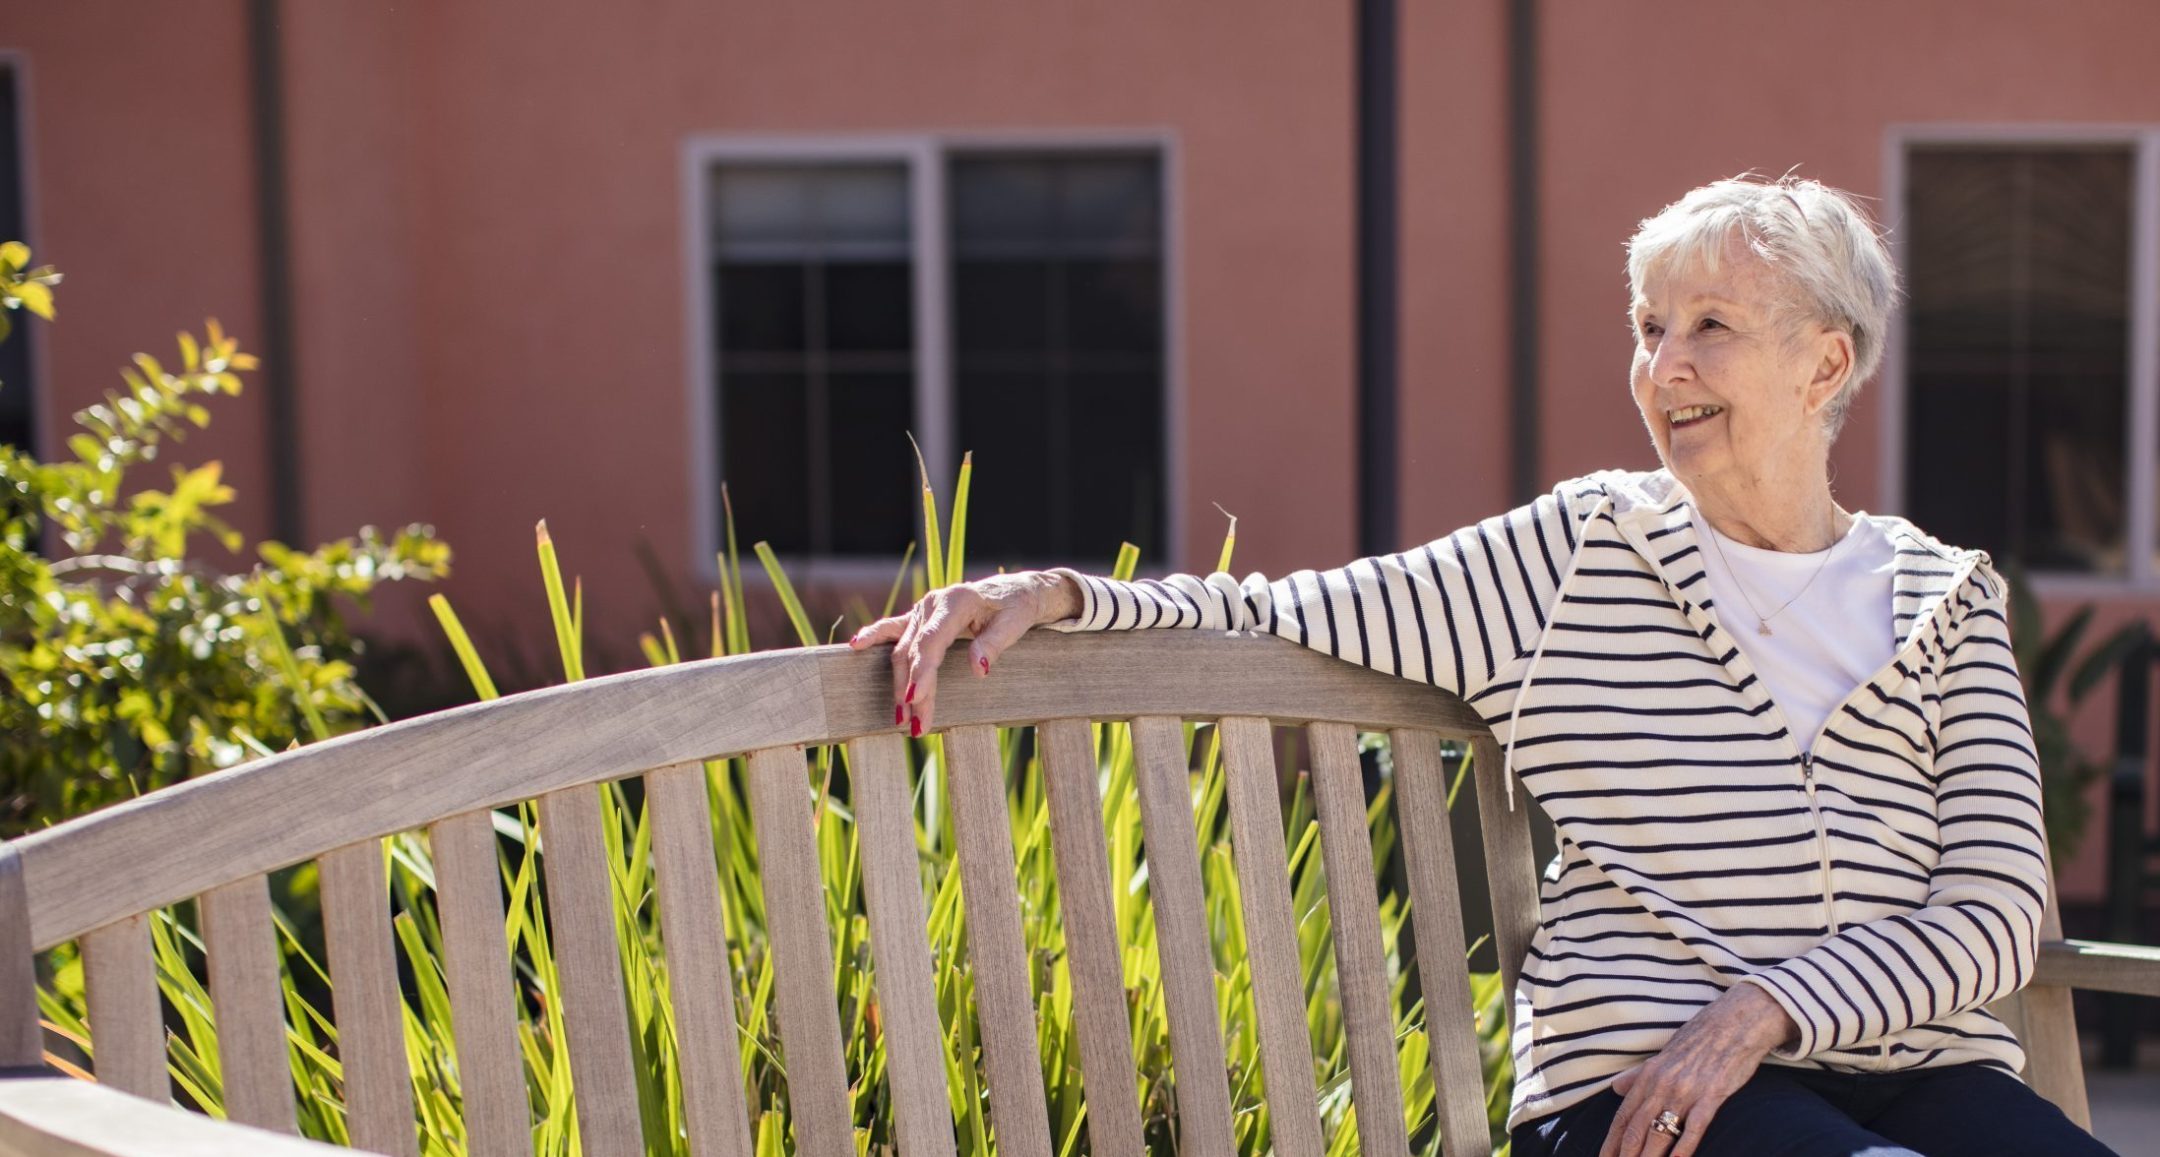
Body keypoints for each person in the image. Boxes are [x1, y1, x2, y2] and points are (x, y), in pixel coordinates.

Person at [847, 173, 2117, 1157]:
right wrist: (1063, 592)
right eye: (1648, 325)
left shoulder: (1943, 596)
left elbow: (1997, 906)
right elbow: (1284, 612)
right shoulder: (1576, 557)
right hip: (1644, 1092)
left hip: (1915, 1068)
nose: (1661, 365)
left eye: (1711, 326)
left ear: (1824, 363)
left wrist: (1767, 1009)